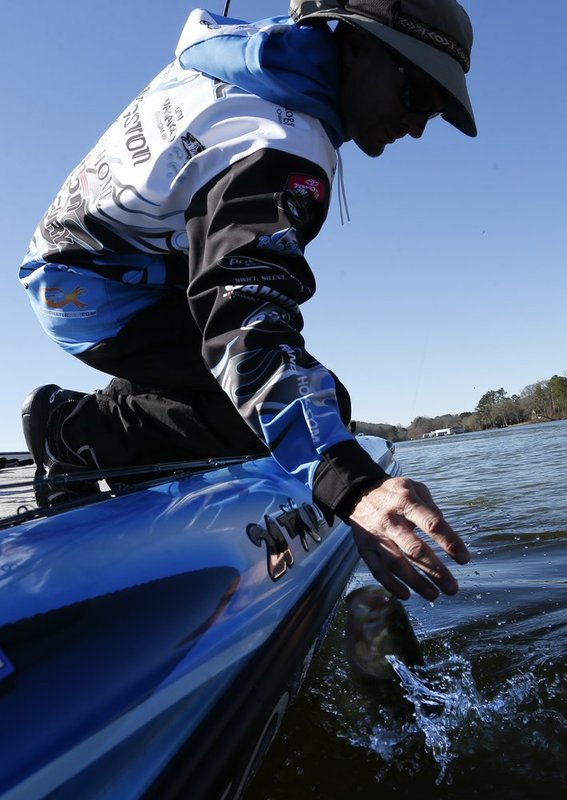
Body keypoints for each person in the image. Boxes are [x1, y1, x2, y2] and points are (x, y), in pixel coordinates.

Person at [20, 0, 475, 602]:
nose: (418, 125)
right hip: (95, 288)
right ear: (358, 46)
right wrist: (354, 485)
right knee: (289, 413)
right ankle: (77, 431)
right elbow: (246, 329)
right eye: (417, 94)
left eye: (436, 110)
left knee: (305, 406)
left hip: (111, 262)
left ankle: (141, 415)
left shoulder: (259, 62)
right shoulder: (279, 142)